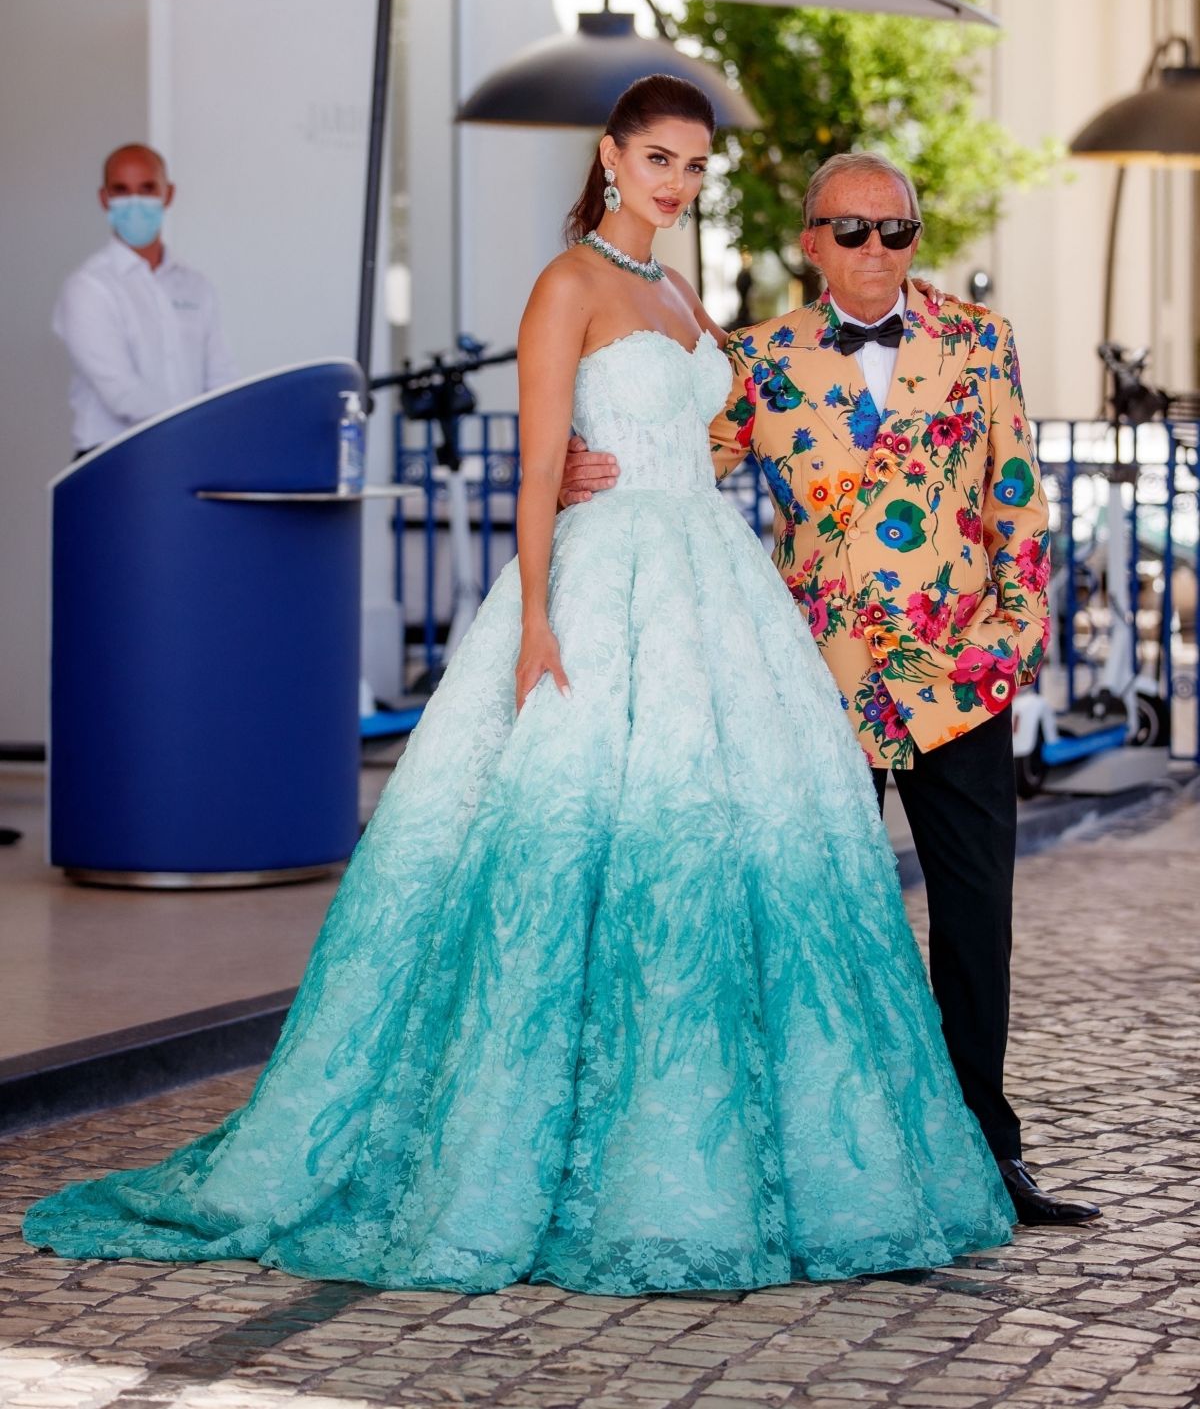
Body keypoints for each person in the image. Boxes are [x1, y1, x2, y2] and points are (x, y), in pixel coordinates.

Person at [25, 78, 1014, 1295]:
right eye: (659, 158)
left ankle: (789, 1148)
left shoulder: (681, 295)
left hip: (720, 598)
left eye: (695, 167)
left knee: (734, 869)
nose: (678, 182)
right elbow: (540, 470)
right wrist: (539, 618)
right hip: (604, 594)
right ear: (610, 154)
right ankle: (569, 1156)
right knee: (576, 868)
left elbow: (717, 435)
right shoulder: (568, 285)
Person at [562, 150, 1099, 1231]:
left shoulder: (980, 343)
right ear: (811, 244)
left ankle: (988, 1152)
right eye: (849, 231)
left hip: (959, 684)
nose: (874, 250)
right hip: (813, 692)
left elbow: (1018, 505)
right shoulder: (757, 359)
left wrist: (1010, 644)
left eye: (893, 229)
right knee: (821, 925)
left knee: (975, 925)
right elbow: (672, 463)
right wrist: (582, 463)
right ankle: (835, 1164)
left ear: (915, 237)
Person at [52, 144, 237, 458]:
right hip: (113, 458)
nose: (134, 202)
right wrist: (195, 432)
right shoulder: (88, 286)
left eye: (147, 188)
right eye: (121, 190)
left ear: (168, 194)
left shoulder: (195, 286)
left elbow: (221, 379)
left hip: (188, 455)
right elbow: (121, 392)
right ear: (104, 199)